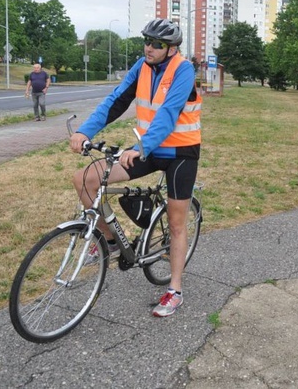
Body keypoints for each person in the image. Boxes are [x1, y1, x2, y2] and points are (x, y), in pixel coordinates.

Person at [69, 18, 201, 317]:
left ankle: (175, 290)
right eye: (147, 41)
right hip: (150, 148)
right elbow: (116, 101)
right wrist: (85, 131)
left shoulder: (183, 69)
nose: (149, 47)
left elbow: (168, 113)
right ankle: (111, 241)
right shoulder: (141, 66)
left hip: (181, 151)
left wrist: (139, 148)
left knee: (177, 222)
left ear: (171, 49)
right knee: (85, 179)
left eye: (157, 44)